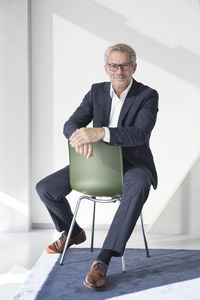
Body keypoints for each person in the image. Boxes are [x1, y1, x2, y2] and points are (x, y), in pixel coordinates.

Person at [36, 43, 159, 291]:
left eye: (125, 65)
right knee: (46, 187)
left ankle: (102, 261)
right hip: (98, 162)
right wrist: (79, 137)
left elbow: (140, 134)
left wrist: (100, 131)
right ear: (106, 68)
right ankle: (72, 233)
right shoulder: (96, 92)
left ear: (134, 67)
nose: (119, 71)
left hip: (134, 164)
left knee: (138, 185)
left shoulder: (147, 95)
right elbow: (70, 123)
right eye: (114, 65)